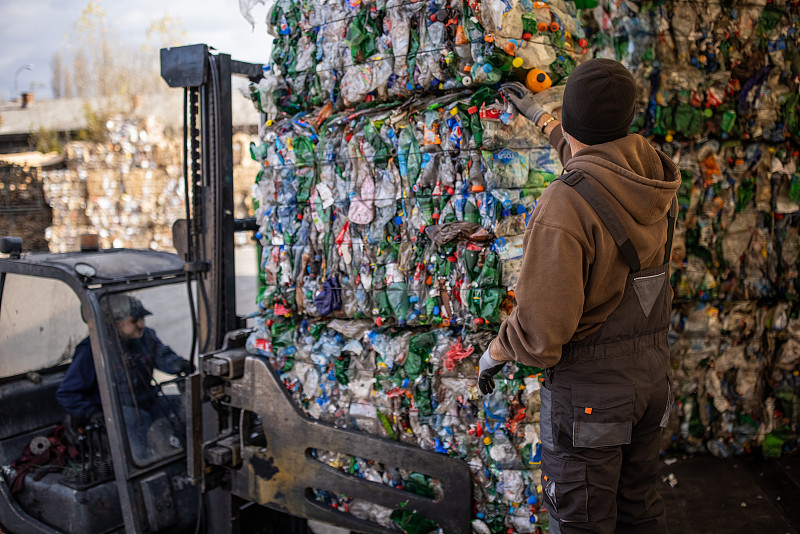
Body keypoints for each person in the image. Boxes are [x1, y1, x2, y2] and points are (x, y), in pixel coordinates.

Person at [478, 58, 681, 534]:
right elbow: (595, 170)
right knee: (640, 512)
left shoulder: (564, 204)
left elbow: (543, 332)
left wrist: (496, 351)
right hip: (650, 381)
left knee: (584, 522)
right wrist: (543, 118)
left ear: (574, 123)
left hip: (592, 397)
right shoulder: (651, 174)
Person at [56, 294, 192, 463]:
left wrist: (180, 365)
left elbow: (163, 357)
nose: (141, 324)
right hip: (117, 410)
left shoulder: (146, 337)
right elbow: (67, 393)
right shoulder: (92, 350)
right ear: (115, 324)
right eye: (135, 320)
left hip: (147, 401)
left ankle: (183, 455)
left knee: (185, 406)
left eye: (142, 318)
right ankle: (146, 465)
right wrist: (92, 413)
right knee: (138, 419)